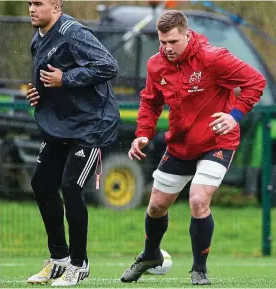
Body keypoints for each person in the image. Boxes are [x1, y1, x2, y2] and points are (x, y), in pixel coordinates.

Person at [121, 10, 266, 285]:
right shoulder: (156, 65)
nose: (167, 48)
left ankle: (199, 269)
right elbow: (150, 103)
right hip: (181, 144)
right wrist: (142, 134)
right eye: (162, 42)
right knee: (156, 206)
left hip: (217, 142)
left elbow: (255, 82)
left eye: (173, 42)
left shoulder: (213, 58)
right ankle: (151, 255)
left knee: (198, 200)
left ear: (187, 35)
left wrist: (234, 116)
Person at [26, 0, 120, 286]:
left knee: (70, 186)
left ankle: (79, 265)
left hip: (91, 125)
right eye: (29, 3)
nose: (31, 8)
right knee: (41, 183)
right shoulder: (38, 38)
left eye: (38, 3)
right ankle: (59, 260)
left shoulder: (74, 32)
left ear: (56, 6)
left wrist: (66, 78)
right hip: (61, 124)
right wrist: (38, 95)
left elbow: (109, 66)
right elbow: (48, 81)